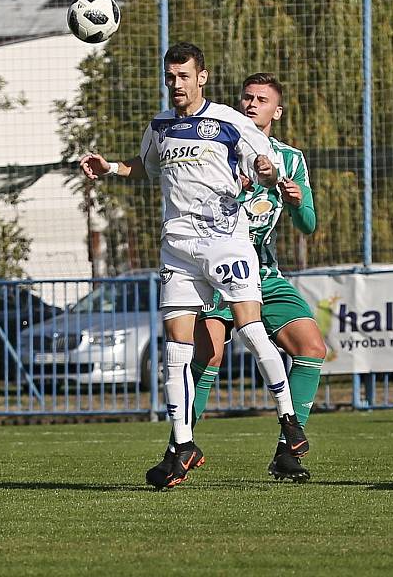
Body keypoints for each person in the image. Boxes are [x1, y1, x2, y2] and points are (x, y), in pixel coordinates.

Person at [79, 43, 307, 489]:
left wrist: (264, 171)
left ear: (202, 77)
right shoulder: (160, 126)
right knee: (175, 349)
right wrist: (109, 167)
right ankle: (184, 444)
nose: (176, 84)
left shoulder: (228, 121)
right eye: (170, 76)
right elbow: (142, 169)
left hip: (225, 241)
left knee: (250, 329)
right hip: (178, 248)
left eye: (184, 76)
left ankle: (288, 421)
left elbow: (266, 167)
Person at [146, 72, 325, 483]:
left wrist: (296, 203)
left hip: (262, 270)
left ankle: (287, 450)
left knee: (312, 346)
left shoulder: (290, 160)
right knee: (207, 355)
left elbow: (308, 225)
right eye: (247, 97)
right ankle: (178, 448)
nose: (252, 104)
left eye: (262, 100)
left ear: (276, 112)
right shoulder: (220, 139)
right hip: (213, 264)